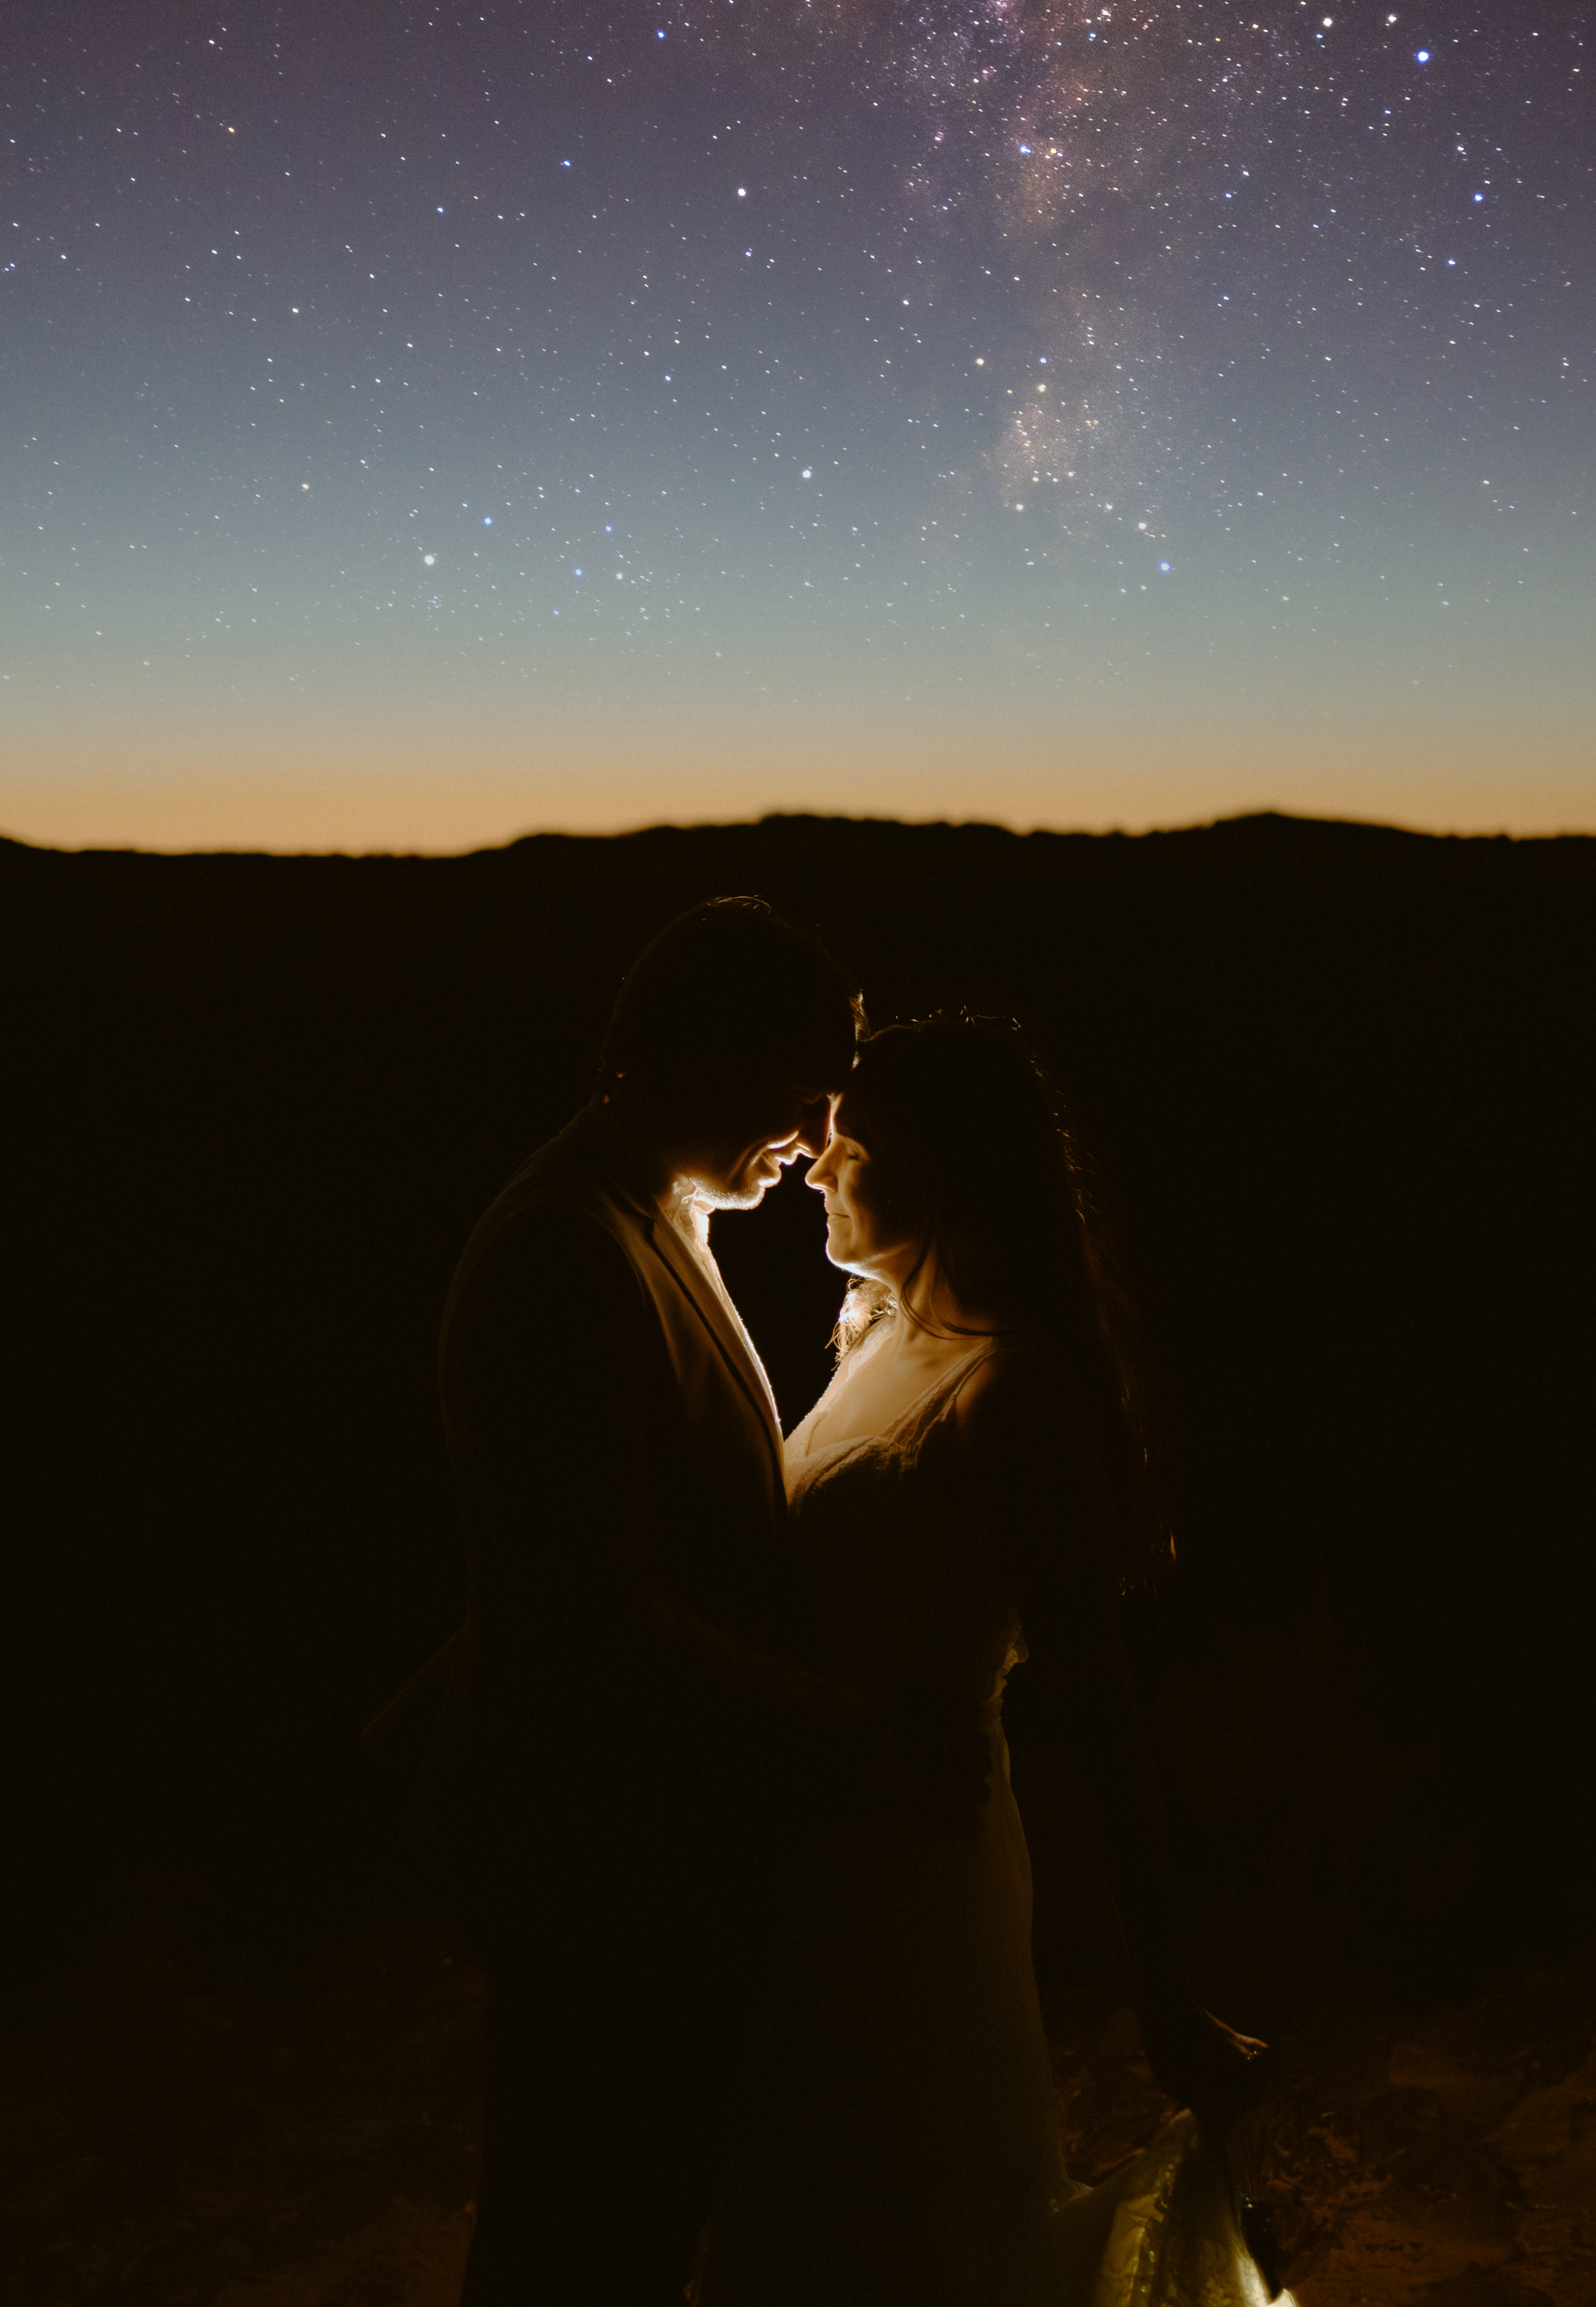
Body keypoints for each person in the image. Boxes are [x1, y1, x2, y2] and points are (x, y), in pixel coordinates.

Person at [700, 1016, 1285, 2307]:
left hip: (919, 1875)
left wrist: (1165, 1989)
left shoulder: (1013, 1400)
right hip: (813, 1854)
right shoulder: (876, 1338)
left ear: (932, 1171)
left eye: (846, 1138)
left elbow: (1100, 1705)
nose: (812, 1160)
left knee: (910, 2221)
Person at [438, 895, 958, 2304]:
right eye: (798, 1094)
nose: (809, 1143)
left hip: (670, 1873)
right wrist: (851, 1730)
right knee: (581, 2246)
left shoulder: (654, 1213)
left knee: (637, 2240)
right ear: (699, 1054)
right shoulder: (564, 1249)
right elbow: (588, 1619)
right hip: (606, 1881)